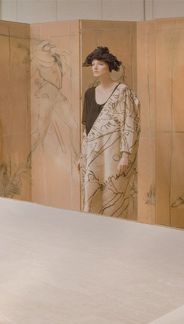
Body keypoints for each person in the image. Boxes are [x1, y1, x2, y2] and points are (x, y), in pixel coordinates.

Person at [80, 46, 140, 219]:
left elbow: (128, 122)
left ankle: (116, 230)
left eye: (100, 64)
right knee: (91, 194)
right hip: (92, 151)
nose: (95, 67)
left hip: (113, 151)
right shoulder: (90, 94)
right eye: (93, 64)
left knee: (114, 193)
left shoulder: (122, 91)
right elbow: (86, 127)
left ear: (109, 66)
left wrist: (125, 155)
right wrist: (81, 155)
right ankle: (93, 230)